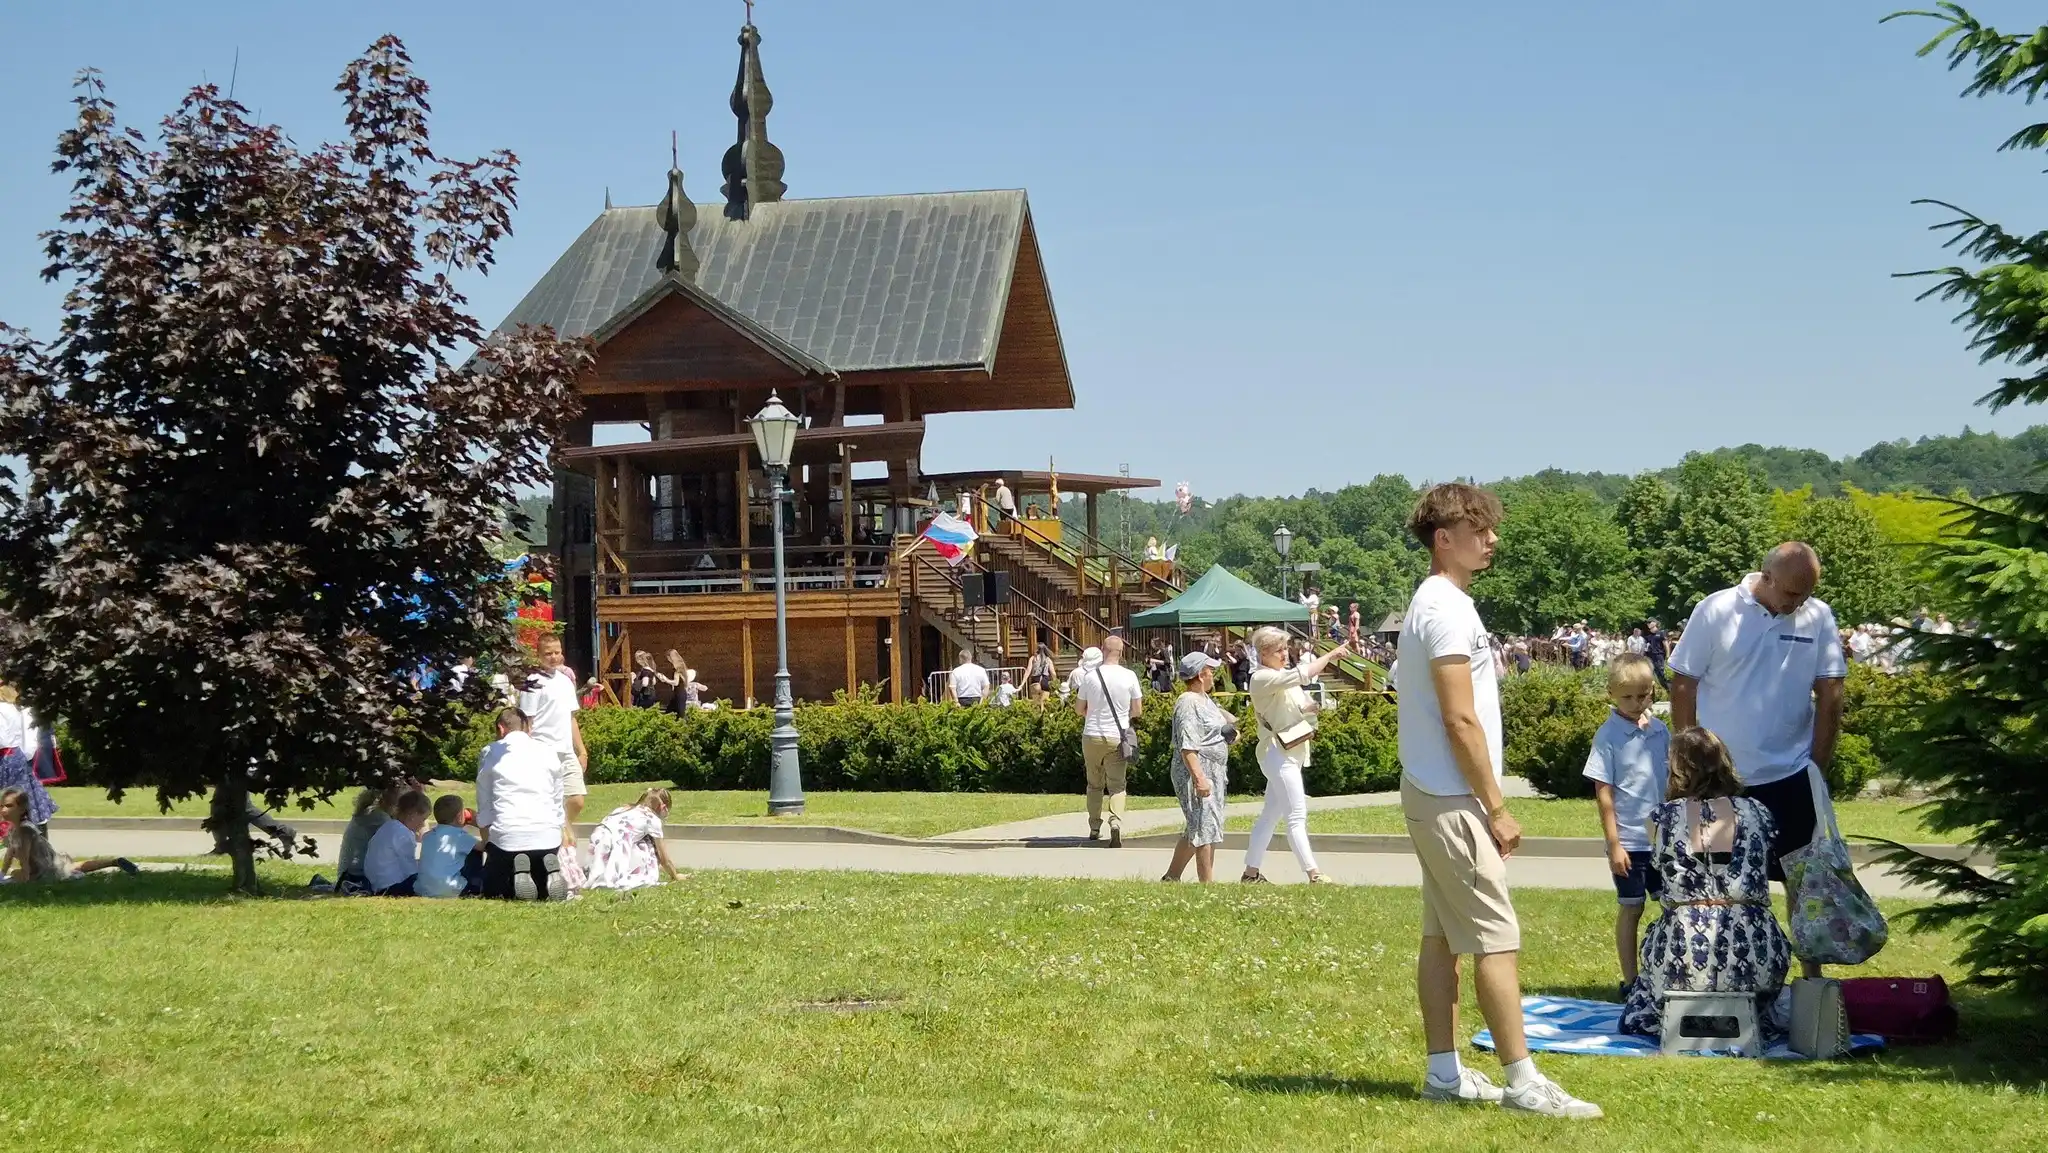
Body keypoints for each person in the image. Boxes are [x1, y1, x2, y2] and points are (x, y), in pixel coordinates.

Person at [1397, 482, 1599, 1118]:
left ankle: (1443, 1075)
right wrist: (1498, 807)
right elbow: (1461, 720)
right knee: (1495, 936)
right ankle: (1522, 1081)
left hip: (1435, 792)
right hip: (1452, 797)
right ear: (1443, 539)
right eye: (1479, 530)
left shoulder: (1442, 602)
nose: (1493, 540)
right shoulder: (1445, 609)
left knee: (1441, 936)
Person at [1669, 541, 1846, 979]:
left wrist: (1817, 767)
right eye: (1790, 594)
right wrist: (1690, 760)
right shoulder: (1716, 610)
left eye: (1805, 594)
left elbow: (1831, 694)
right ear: (1765, 578)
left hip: (1790, 774)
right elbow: (1683, 683)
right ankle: (1714, 978)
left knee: (1803, 883)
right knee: (1713, 884)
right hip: (1720, 780)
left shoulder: (1818, 616)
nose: (1797, 603)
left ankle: (1811, 982)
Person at [1620, 728, 1792, 1038]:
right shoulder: (1759, 813)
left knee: (1639, 1005)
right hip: (1756, 952)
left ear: (1678, 770)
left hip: (1683, 954)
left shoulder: (1661, 818)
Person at [1581, 653, 1671, 995]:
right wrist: (1614, 844)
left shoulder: (1660, 730)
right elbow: (1604, 794)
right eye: (1628, 696)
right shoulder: (1608, 736)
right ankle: (1631, 980)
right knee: (1632, 908)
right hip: (1630, 842)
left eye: (1643, 694)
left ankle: (1668, 971)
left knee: (1672, 908)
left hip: (1663, 840)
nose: (1636, 703)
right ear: (1612, 694)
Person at [1241, 627, 1349, 884]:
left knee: (1269, 816)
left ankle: (1250, 873)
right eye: (1279, 650)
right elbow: (1303, 674)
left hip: (1292, 752)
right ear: (1264, 653)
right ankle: (1314, 874)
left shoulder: (1280, 676)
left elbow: (1302, 706)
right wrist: (1330, 655)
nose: (1284, 654)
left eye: (1285, 648)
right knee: (1296, 815)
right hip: (1278, 754)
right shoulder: (1261, 678)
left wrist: (1313, 708)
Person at [475, 707, 571, 902]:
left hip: (508, 834)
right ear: (528, 729)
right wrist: (560, 826)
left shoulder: (490, 752)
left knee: (495, 889)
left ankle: (517, 869)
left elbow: (484, 801)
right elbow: (557, 795)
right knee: (541, 887)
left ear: (501, 729)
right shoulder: (548, 751)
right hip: (547, 835)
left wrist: (486, 838)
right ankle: (544, 873)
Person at [1164, 651, 1234, 883]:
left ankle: (1171, 877)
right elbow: (1187, 745)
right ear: (1200, 673)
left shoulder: (1204, 699)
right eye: (1210, 670)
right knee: (1205, 826)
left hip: (1214, 768)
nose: (1213, 674)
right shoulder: (1187, 702)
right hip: (1198, 769)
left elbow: (1221, 725)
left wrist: (1230, 733)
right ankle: (1207, 884)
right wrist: (1199, 778)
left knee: (1198, 825)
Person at [519, 636, 589, 844]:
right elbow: (526, 723)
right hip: (542, 750)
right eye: (548, 653)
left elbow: (571, 718)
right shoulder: (532, 682)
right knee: (550, 800)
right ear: (539, 655)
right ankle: (557, 837)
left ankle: (561, 826)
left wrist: (582, 751)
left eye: (557, 652)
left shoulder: (565, 681)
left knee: (577, 800)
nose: (554, 657)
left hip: (566, 751)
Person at [1074, 634, 1143, 846]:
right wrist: (1123, 716)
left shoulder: (1090, 676)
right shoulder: (1130, 676)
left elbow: (1079, 709)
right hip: (1117, 736)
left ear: (1103, 650)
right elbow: (1137, 710)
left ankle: (1095, 826)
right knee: (1117, 785)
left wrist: (1093, 713)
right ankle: (1115, 821)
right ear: (1121, 653)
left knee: (1094, 784)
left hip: (1092, 734)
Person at [1, 790, 137, 881]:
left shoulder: (24, 831)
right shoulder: (16, 829)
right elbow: (9, 854)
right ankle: (114, 862)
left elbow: (25, 869)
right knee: (72, 867)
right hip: (55, 863)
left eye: (8, 806)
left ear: (22, 809)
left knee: (15, 873)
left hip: (46, 872)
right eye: (1, 806)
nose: (3, 810)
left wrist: (14, 879)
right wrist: (2, 874)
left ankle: (110, 864)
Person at [585, 787, 682, 891]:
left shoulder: (624, 809)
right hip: (618, 839)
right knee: (646, 845)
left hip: (599, 833)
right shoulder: (652, 820)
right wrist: (675, 875)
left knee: (598, 865)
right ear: (663, 808)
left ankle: (591, 878)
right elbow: (664, 859)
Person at [335, 784, 401, 895]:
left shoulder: (368, 814)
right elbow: (405, 837)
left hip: (349, 876)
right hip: (358, 879)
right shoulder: (377, 817)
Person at [364, 789, 430, 897]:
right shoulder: (403, 834)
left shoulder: (387, 827)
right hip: (392, 887)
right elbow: (410, 870)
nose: (422, 824)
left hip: (376, 885)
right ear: (412, 815)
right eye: (423, 819)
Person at [418, 794, 482, 899]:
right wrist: (479, 824)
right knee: (475, 851)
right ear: (460, 817)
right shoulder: (460, 836)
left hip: (424, 889)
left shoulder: (428, 836)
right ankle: (475, 887)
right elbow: (486, 846)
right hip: (450, 889)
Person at [1641, 619, 1670, 689]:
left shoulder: (1660, 633)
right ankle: (1655, 691)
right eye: (1647, 623)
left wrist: (1667, 656)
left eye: (1649, 622)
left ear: (1654, 624)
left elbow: (1666, 645)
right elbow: (1645, 646)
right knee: (1650, 674)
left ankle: (1667, 689)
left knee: (1661, 674)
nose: (1648, 624)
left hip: (1659, 656)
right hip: (1650, 656)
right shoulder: (1648, 635)